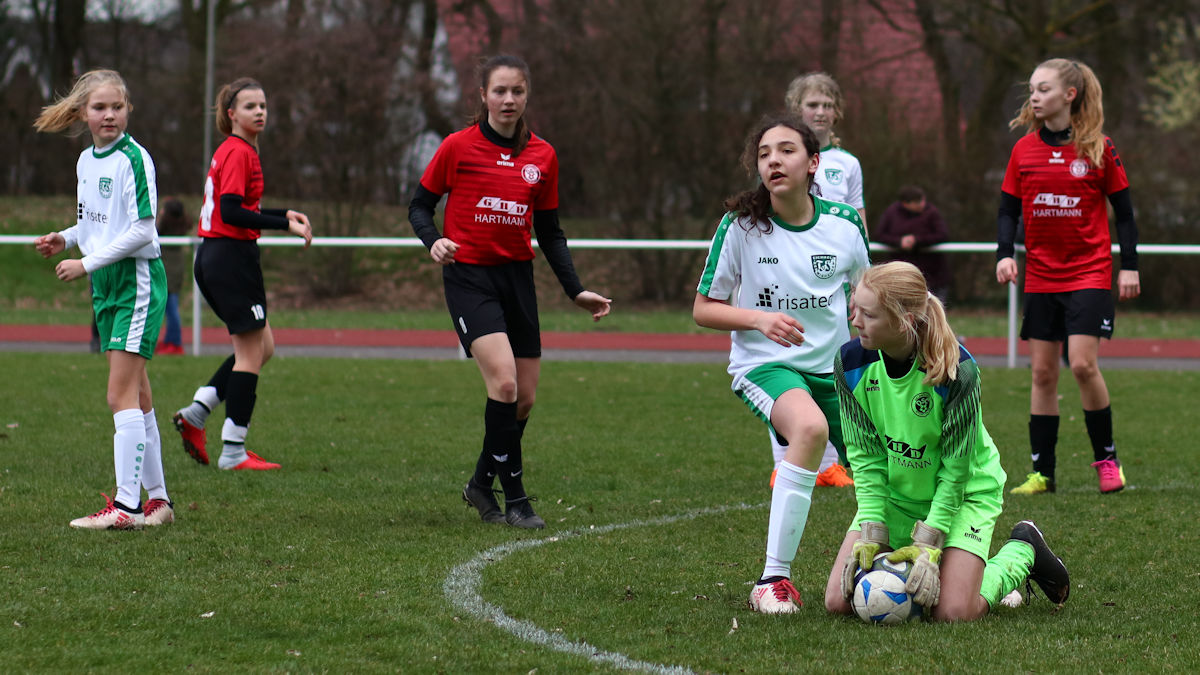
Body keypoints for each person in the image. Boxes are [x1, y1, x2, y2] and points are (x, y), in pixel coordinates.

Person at [408, 55, 612, 530]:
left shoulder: (543, 155)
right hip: (469, 277)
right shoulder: (457, 147)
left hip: (517, 280)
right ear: (482, 96)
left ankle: (480, 483)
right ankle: (515, 497)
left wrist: (575, 290)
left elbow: (550, 231)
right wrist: (432, 238)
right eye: (499, 91)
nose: (508, 100)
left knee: (523, 400)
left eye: (517, 91)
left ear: (526, 96)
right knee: (503, 383)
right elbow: (419, 206)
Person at [824, 262, 1070, 622]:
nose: (855, 321)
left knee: (952, 612)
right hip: (897, 494)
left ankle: (1022, 552)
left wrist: (928, 541)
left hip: (964, 493)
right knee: (838, 602)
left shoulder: (957, 370)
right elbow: (866, 458)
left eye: (868, 314)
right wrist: (872, 531)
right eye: (855, 309)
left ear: (904, 319)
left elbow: (956, 469)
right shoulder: (849, 364)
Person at [694, 113, 869, 613]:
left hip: (837, 373)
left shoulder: (844, 224)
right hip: (766, 366)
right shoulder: (741, 227)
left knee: (891, 469)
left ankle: (938, 563)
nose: (773, 160)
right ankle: (772, 581)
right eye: (765, 153)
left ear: (814, 163)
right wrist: (758, 319)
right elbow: (704, 308)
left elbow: (867, 292)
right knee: (809, 430)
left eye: (787, 150)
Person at [33, 69, 174, 529]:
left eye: (117, 106)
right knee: (139, 396)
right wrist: (68, 239)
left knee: (119, 395)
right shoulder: (85, 162)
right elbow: (97, 225)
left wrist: (87, 263)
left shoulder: (134, 159)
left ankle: (127, 507)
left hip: (134, 281)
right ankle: (159, 503)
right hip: (108, 284)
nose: (109, 114)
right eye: (99, 107)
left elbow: (142, 230)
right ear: (83, 114)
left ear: (128, 109)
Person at [995, 58, 1139, 496]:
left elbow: (1126, 216)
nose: (1034, 97)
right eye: (1032, 90)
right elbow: (1007, 210)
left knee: (1081, 363)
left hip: (1089, 273)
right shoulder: (1023, 149)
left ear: (1069, 95)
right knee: (1041, 374)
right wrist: (1004, 254)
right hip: (1040, 276)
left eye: (1043, 89)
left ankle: (1107, 462)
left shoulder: (1099, 147)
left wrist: (1129, 265)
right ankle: (1043, 473)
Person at [172, 77, 313, 471]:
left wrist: (282, 213)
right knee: (251, 353)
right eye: (251, 106)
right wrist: (285, 225)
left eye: (264, 105)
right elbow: (231, 212)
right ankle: (233, 451)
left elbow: (240, 206)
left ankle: (197, 414)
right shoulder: (237, 152)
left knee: (261, 347)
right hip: (229, 257)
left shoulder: (241, 150)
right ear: (231, 114)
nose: (260, 112)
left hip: (223, 255)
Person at [784, 71, 866, 487]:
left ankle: (830, 462)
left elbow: (858, 220)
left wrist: (864, 280)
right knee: (785, 361)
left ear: (838, 112)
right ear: (797, 108)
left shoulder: (847, 164)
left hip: (833, 277)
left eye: (827, 105)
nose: (820, 111)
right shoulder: (785, 154)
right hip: (790, 274)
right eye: (812, 104)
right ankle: (786, 461)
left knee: (836, 363)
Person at [875, 185, 951, 301]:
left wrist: (917, 241)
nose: (922, 204)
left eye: (922, 200)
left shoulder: (932, 212)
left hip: (933, 274)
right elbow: (880, 235)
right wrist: (899, 242)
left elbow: (942, 235)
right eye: (917, 202)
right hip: (902, 274)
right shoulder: (891, 213)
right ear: (906, 203)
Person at [156, 197, 189, 355]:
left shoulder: (164, 227)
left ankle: (175, 342)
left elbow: (154, 230)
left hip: (167, 270)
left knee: (170, 309)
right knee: (170, 308)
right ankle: (170, 340)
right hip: (176, 270)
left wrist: (160, 216)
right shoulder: (181, 227)